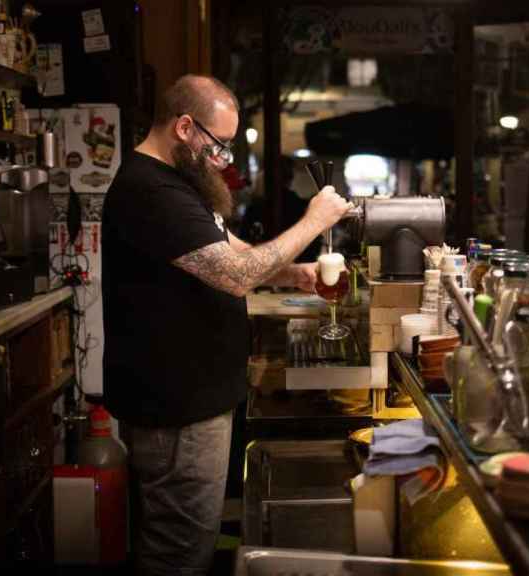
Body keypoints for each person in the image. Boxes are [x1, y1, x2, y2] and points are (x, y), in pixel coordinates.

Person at [101, 74, 352, 575]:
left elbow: (228, 252)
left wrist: (290, 272)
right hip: (176, 409)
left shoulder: (175, 183)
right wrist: (314, 221)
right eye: (218, 145)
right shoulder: (149, 190)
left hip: (193, 401)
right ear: (185, 126)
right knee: (179, 554)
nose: (222, 158)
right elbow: (235, 276)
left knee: (188, 543)